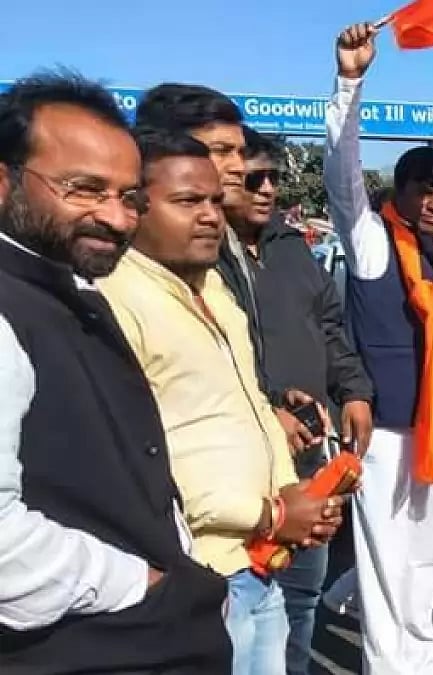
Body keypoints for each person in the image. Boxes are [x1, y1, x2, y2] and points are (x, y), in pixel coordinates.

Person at [0, 70, 232, 674]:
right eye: (83, 189)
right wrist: (143, 583)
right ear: (5, 183)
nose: (116, 217)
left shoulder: (70, 289)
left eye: (128, 196)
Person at [98, 127, 344, 675]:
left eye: (213, 200)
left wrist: (291, 494)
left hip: (258, 566)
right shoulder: (116, 302)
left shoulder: (212, 289)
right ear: (134, 206)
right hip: (200, 575)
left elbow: (252, 406)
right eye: (187, 201)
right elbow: (146, 460)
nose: (210, 215)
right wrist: (276, 513)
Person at [325, 23, 433, 675]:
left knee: (425, 550)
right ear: (400, 191)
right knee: (383, 552)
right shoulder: (371, 240)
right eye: (425, 190)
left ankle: (421, 652)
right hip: (382, 427)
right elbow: (341, 170)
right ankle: (386, 664)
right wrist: (351, 81)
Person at [233, 126, 375, 675]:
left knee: (301, 597)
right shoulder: (206, 255)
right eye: (253, 179)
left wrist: (354, 389)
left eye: (274, 177)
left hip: (310, 458)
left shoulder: (292, 249)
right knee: (242, 605)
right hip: (245, 468)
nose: (267, 189)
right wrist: (270, 406)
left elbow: (330, 327)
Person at [134, 84, 331, 456]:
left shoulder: (225, 251)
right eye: (223, 151)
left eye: (239, 152)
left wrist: (270, 402)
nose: (238, 167)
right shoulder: (120, 273)